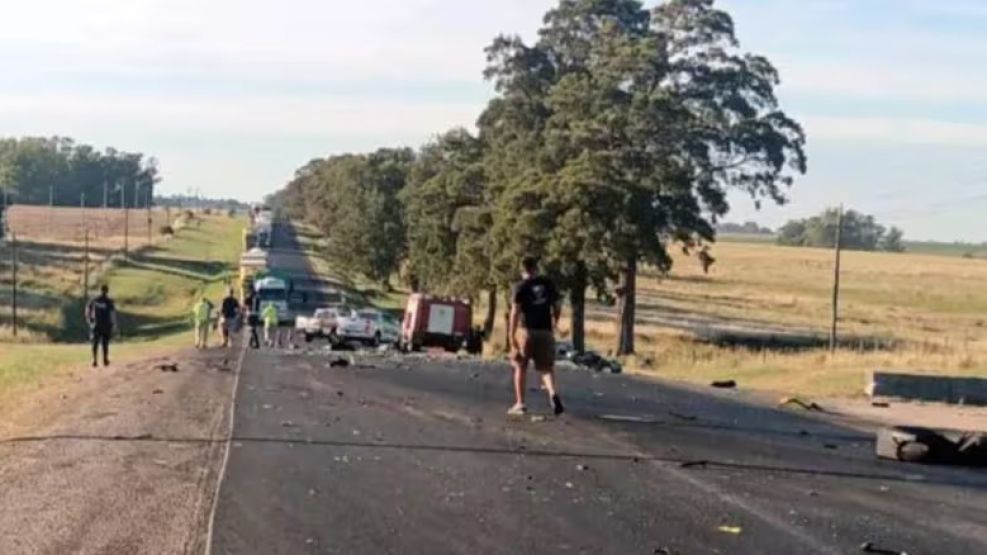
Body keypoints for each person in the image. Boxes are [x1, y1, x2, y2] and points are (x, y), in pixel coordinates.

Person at [508, 257, 564, 416]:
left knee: (520, 366)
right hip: (545, 331)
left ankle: (520, 403)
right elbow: (558, 306)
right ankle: (552, 393)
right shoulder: (547, 283)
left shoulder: (519, 287)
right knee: (546, 368)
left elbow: (515, 312)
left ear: (522, 270)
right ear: (536, 268)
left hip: (526, 331)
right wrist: (555, 322)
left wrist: (511, 335)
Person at [85, 284, 117, 367]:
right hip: (106, 325)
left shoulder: (94, 300)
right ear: (107, 291)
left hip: (96, 325)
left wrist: (89, 320)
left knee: (95, 343)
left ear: (100, 290)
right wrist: (114, 325)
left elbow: (87, 310)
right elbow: (112, 314)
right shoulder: (109, 301)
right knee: (105, 343)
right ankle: (105, 359)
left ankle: (94, 360)